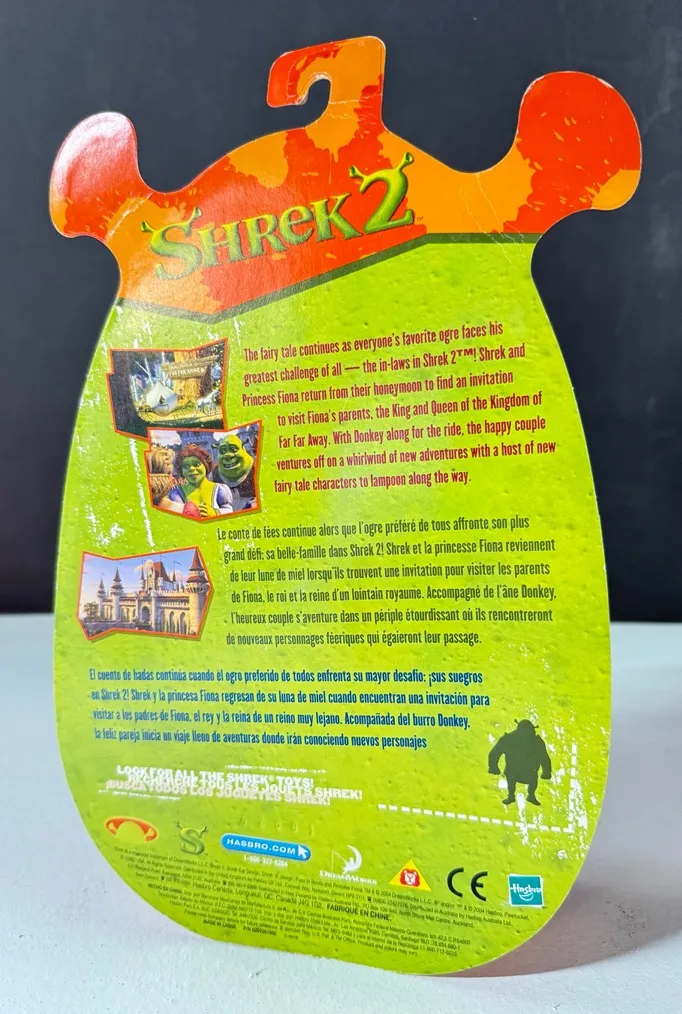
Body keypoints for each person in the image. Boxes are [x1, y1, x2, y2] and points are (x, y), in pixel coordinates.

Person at [488, 719, 552, 806]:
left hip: (529, 771)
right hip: (514, 770)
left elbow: (543, 757)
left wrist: (546, 771)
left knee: (532, 781)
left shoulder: (536, 742)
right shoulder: (509, 739)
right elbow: (495, 753)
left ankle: (530, 795)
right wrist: (493, 766)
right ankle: (511, 796)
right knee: (513, 781)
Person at [165, 443, 233, 518]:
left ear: (206, 465)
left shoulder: (220, 489)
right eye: (186, 466)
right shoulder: (176, 493)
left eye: (196, 464)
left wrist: (214, 512)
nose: (191, 469)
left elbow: (229, 510)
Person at [210, 431, 258, 512]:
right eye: (222, 451)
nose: (228, 455)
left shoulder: (255, 469)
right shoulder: (215, 474)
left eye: (233, 449)